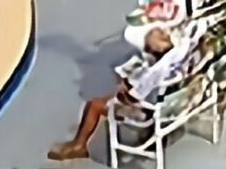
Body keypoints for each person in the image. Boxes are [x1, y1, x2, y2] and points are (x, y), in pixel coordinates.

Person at [49, 25, 200, 161]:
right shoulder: (179, 54)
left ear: (159, 49)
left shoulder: (153, 73)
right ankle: (86, 129)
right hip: (170, 101)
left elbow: (132, 97)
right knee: (113, 85)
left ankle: (79, 145)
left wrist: (122, 87)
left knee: (95, 104)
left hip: (147, 110)